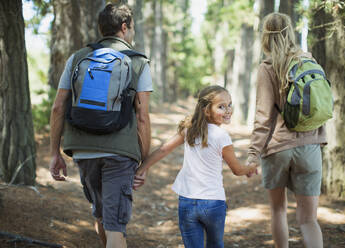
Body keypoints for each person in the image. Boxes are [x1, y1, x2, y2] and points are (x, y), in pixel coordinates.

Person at [49, 3, 151, 248]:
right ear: (124, 27)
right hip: (119, 153)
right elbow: (143, 117)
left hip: (83, 150)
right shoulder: (137, 62)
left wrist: (55, 153)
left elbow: (58, 107)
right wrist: (144, 160)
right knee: (116, 226)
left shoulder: (78, 57)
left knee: (100, 214)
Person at [134, 85, 258, 248]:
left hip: (187, 202)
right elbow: (237, 170)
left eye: (229, 104)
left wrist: (141, 169)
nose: (228, 110)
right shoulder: (222, 136)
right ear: (207, 110)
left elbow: (163, 149)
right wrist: (251, 167)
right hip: (213, 204)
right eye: (221, 106)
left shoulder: (189, 129)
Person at [246, 13, 326, 248]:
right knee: (309, 220)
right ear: (290, 32)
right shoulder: (308, 61)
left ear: (266, 35)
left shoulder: (268, 66)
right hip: (309, 146)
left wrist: (253, 154)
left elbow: (263, 116)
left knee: (278, 210)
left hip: (277, 147)